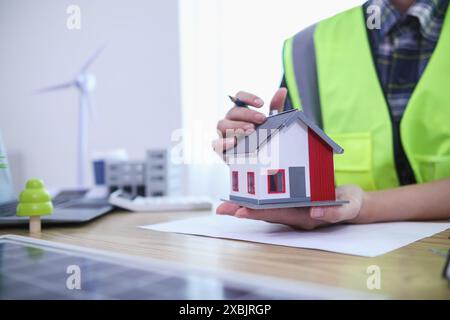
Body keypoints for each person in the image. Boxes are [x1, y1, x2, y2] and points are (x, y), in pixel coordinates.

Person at [214, 0, 450, 230]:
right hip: (337, 258)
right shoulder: (307, 47)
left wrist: (365, 206)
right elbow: (289, 163)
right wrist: (252, 151)